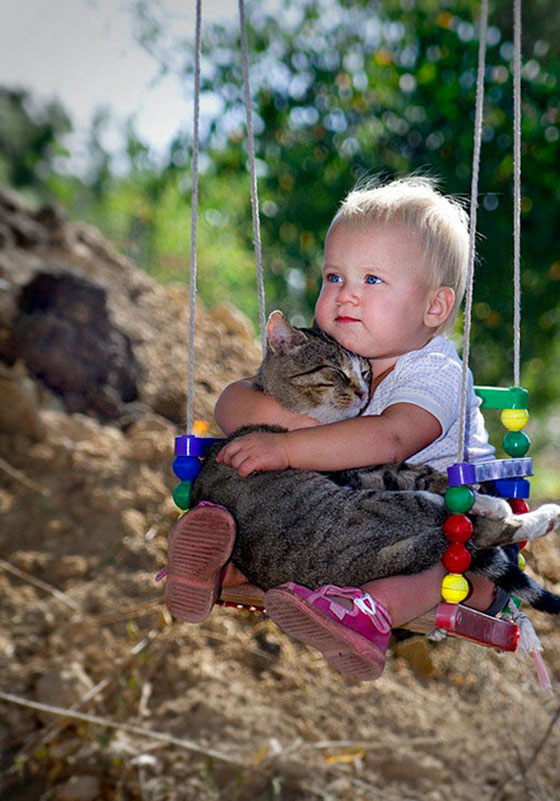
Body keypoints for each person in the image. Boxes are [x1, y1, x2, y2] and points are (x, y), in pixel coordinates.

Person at [165, 176, 510, 680]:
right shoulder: (337, 352)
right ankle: (220, 564)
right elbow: (234, 400)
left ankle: (365, 615)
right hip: (352, 520)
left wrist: (288, 448)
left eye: (372, 280)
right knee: (261, 490)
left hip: (451, 520)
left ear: (434, 307)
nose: (346, 296)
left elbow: (390, 438)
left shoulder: (436, 371)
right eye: (334, 277)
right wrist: (286, 424)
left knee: (435, 560)